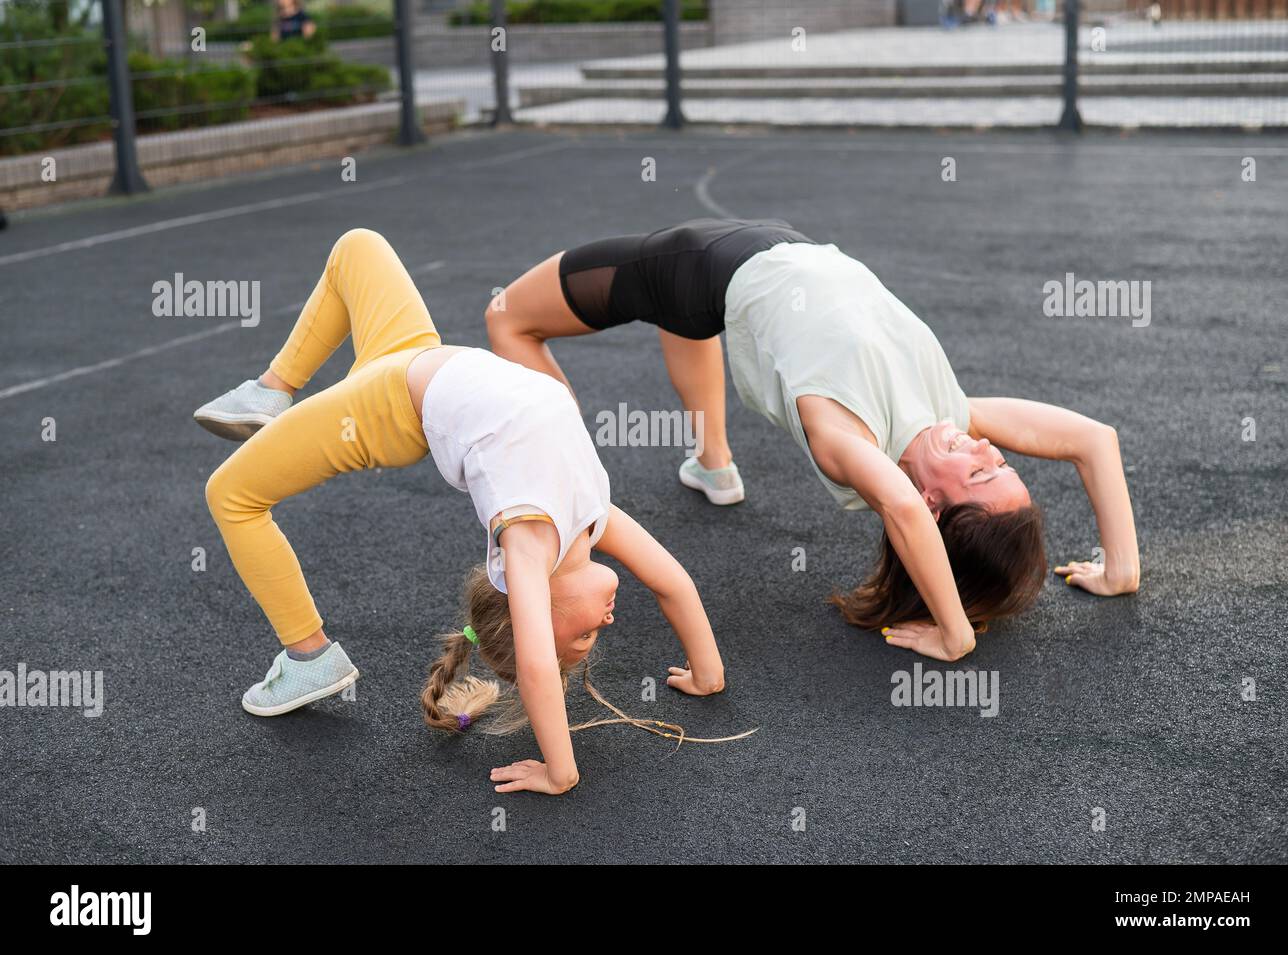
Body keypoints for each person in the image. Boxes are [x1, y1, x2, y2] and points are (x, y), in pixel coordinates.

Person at [195, 229, 726, 795]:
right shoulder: (588, 517)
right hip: (416, 356)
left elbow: (538, 667)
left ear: (540, 620)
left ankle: (309, 656)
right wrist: (707, 674)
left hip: (386, 408)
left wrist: (560, 770)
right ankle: (270, 391)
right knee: (359, 245)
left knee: (230, 495)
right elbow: (672, 582)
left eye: (584, 639)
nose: (608, 624)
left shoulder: (529, 541)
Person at [483, 218, 1141, 662]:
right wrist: (1120, 569)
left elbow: (901, 509)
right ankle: (714, 464)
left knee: (508, 316)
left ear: (934, 504)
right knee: (682, 316)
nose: (986, 449)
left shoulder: (845, 439)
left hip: (705, 264)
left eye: (979, 473)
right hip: (766, 250)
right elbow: (1094, 439)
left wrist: (955, 634)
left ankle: (572, 494)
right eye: (1001, 461)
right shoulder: (952, 416)